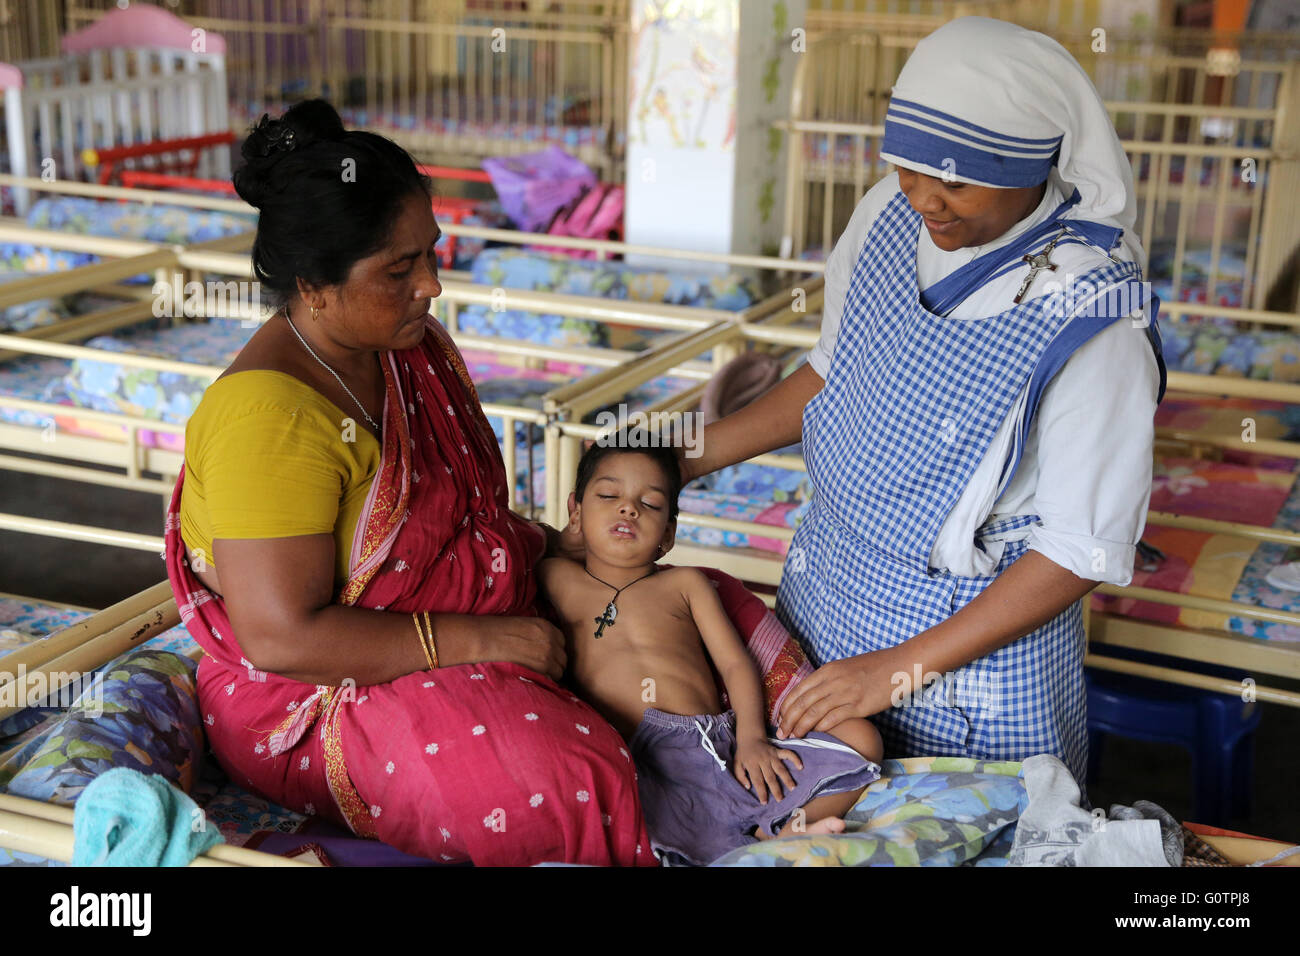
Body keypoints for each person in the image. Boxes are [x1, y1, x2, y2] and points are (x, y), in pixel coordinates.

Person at [676, 17, 1167, 791]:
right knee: (820, 827)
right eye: (907, 168)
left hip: (973, 655)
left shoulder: (1092, 312)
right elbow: (833, 373)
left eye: (956, 183)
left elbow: (1079, 548)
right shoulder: (885, 217)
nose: (924, 201)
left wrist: (896, 674)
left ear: (1030, 163)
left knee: (958, 831)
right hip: (829, 593)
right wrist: (680, 459)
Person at [163, 99, 654, 866]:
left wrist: (552, 552)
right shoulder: (270, 416)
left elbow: (463, 515)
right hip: (319, 692)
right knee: (556, 779)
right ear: (314, 285)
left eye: (431, 253)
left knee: (675, 616)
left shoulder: (404, 348)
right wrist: (481, 638)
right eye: (400, 269)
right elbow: (281, 636)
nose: (431, 284)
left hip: (452, 627)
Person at [540, 434, 882, 865]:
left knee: (861, 738)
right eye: (609, 495)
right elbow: (511, 542)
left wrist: (752, 738)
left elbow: (736, 664)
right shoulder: (554, 577)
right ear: (575, 511)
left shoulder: (685, 585)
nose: (628, 508)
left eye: (650, 504)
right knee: (640, 827)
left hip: (719, 746)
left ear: (668, 534)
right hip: (638, 761)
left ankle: (782, 829)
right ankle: (743, 843)